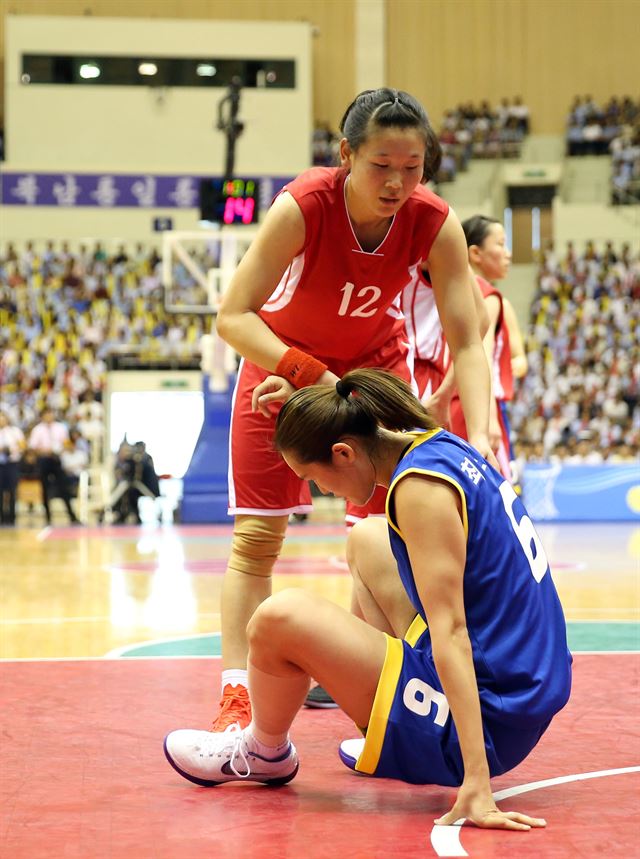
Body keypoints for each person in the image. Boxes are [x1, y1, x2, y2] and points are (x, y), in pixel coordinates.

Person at [164, 369, 572, 832]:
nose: (322, 493)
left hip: (492, 719)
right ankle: (385, 721)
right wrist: (308, 404)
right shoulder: (437, 446)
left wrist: (476, 780)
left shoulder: (419, 492)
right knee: (370, 539)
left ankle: (264, 751)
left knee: (277, 618)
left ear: (343, 452)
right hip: (524, 682)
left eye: (314, 478)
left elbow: (453, 632)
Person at [212, 87, 496, 730]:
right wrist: (313, 378)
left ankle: (385, 683)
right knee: (257, 542)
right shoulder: (303, 206)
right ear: (346, 155)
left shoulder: (433, 220)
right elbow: (232, 317)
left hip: (373, 376)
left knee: (384, 535)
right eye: (381, 165)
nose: (398, 181)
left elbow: (468, 340)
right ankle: (237, 697)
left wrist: (478, 432)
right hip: (283, 371)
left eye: (413, 167)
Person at [449, 215, 515, 480]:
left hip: (449, 399)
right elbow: (481, 356)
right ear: (475, 253)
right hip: (475, 404)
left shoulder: (446, 288)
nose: (508, 254)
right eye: (501, 244)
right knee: (494, 496)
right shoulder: (485, 295)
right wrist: (488, 421)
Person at [28, 408, 79, 524]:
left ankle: (71, 515)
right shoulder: (38, 430)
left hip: (56, 459)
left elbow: (66, 444)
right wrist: (45, 451)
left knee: (64, 488)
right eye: (46, 415)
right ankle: (48, 517)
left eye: (50, 414)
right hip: (43, 460)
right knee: (45, 489)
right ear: (42, 416)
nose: (49, 417)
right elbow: (33, 448)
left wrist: (59, 450)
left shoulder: (60, 427)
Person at [0, 412, 26, 525]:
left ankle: (12, 517)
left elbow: (23, 446)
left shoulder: (15, 431)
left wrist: (11, 449)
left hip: (12, 463)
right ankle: (1, 517)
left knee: (12, 490)